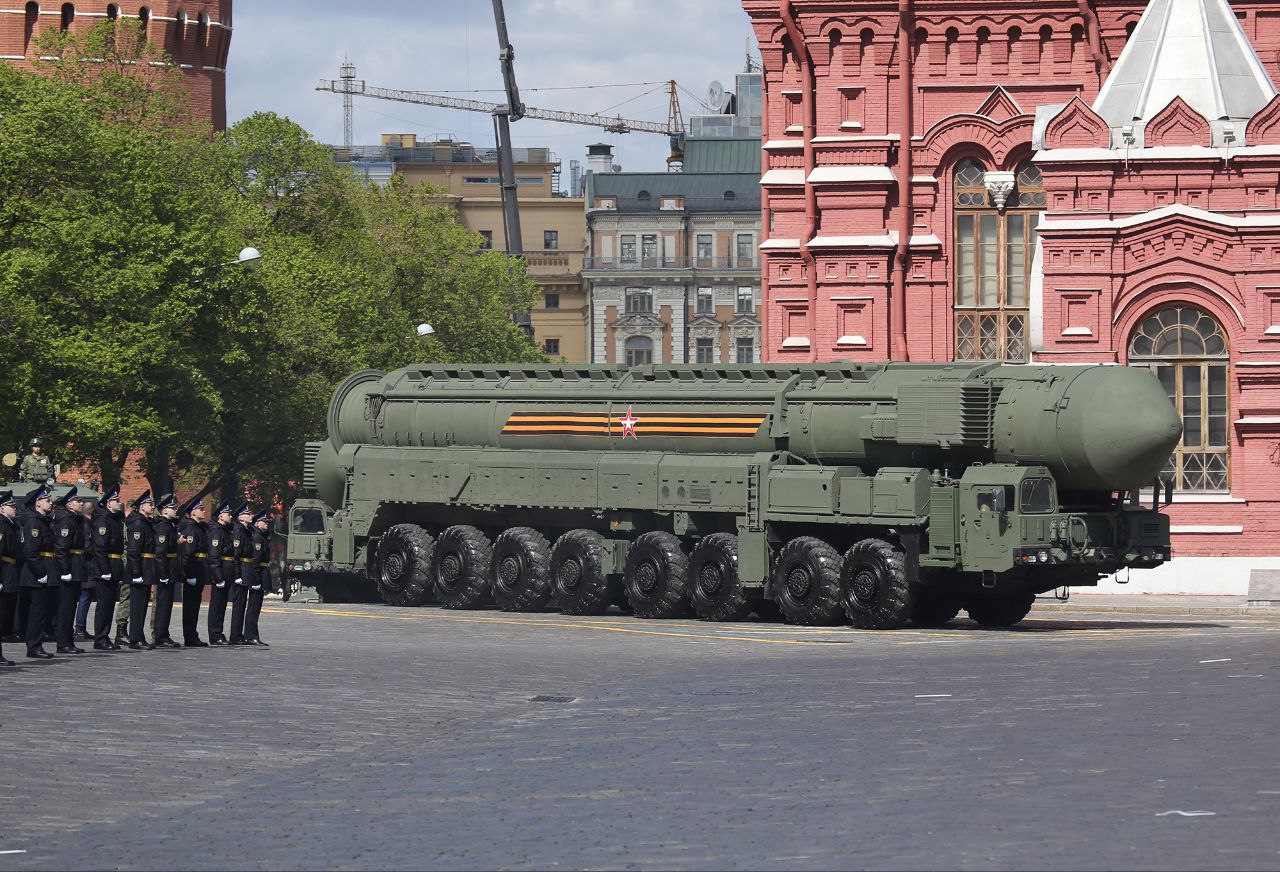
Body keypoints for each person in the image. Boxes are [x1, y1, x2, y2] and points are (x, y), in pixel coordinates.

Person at [20, 486, 59, 659]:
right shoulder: (34, 521)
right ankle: (34, 646)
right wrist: (41, 572)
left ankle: (37, 643)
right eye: (47, 500)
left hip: (46, 568)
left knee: (43, 610)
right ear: (37, 503)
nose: (50, 503)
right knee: (37, 611)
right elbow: (30, 551)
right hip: (37, 572)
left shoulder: (43, 520)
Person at [52, 487, 88, 655]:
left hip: (77, 564)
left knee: (72, 606)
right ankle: (62, 643)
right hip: (70, 565)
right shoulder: (66, 519)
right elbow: (62, 547)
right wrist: (65, 570)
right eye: (78, 501)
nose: (81, 504)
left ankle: (69, 641)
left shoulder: (75, 519)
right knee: (65, 608)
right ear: (69, 504)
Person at [90, 486, 126, 651]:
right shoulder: (103, 519)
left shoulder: (115, 518)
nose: (120, 503)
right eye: (116, 501)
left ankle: (105, 636)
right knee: (104, 604)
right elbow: (99, 547)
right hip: (106, 565)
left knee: (110, 604)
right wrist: (104, 570)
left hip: (114, 564)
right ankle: (100, 638)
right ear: (107, 503)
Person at [148, 493, 182, 649]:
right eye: (172, 508)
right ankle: (161, 635)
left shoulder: (170, 525)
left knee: (167, 604)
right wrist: (163, 574)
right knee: (163, 604)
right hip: (165, 570)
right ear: (164, 510)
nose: (175, 510)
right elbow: (161, 553)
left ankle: (163, 633)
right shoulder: (163, 526)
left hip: (170, 568)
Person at [125, 490, 158, 650]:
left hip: (146, 566)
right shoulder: (138, 524)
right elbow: (133, 551)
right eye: (149, 504)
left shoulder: (146, 522)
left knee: (143, 604)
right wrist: (136, 573)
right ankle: (135, 638)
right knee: (137, 606)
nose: (152, 507)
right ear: (141, 507)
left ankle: (139, 635)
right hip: (140, 568)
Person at [177, 496, 210, 647]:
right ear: (193, 512)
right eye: (201, 509)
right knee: (190, 606)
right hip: (193, 570)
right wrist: (189, 574)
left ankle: (192, 634)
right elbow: (188, 554)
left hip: (199, 569)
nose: (203, 511)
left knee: (195, 605)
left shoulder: (199, 527)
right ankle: (190, 636)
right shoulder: (190, 528)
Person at [242, 509, 272, 647]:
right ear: (258, 523)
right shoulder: (258, 537)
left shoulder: (262, 536)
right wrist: (255, 580)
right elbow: (256, 560)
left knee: (255, 608)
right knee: (253, 608)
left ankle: (251, 634)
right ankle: (250, 635)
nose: (267, 525)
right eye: (265, 522)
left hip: (261, 573)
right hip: (257, 575)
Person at [206, 502, 235, 645]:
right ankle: (215, 634)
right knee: (217, 605)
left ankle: (219, 633)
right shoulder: (216, 532)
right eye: (228, 514)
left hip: (226, 572)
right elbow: (214, 556)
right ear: (221, 516)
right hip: (221, 572)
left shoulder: (225, 531)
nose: (231, 516)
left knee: (222, 605)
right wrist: (218, 577)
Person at [228, 503, 254, 645]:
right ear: (241, 517)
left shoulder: (246, 531)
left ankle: (238, 634)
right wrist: (237, 575)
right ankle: (235, 636)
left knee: (242, 605)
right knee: (238, 606)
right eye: (248, 514)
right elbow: (236, 556)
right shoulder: (238, 531)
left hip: (246, 570)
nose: (251, 516)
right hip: (241, 571)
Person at [0, 490, 21, 666]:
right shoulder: (1, 525)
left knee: (5, 613)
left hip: (10, 570)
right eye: (11, 506)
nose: (14, 508)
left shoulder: (10, 524)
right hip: (4, 570)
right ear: (2, 509)